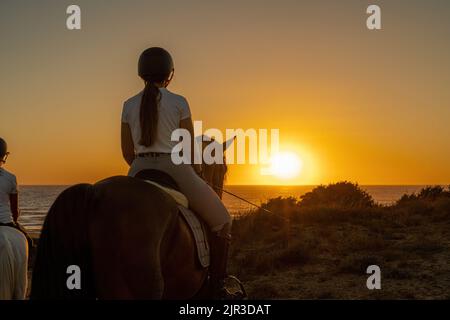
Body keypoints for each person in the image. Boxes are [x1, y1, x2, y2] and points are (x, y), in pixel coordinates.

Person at [121, 47, 233, 298]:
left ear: (141, 74)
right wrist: (198, 173)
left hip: (138, 168)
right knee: (223, 221)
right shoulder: (179, 102)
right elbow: (189, 148)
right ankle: (217, 286)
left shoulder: (128, 105)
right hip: (174, 165)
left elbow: (127, 152)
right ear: (169, 74)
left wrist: (142, 163)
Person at [0, 138, 33, 249]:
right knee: (29, 242)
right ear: (4, 155)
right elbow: (14, 211)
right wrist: (15, 220)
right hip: (6, 222)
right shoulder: (10, 178)